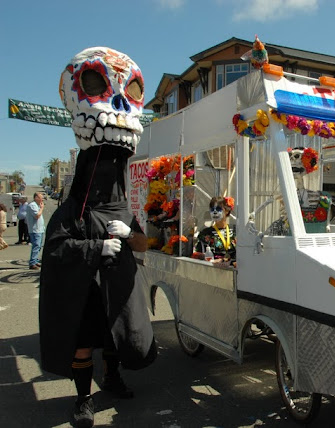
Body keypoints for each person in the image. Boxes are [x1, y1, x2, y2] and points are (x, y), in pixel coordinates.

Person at [39, 47, 157, 428]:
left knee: (114, 339)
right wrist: (96, 246)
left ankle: (113, 377)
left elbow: (144, 245)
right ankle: (83, 398)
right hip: (86, 289)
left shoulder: (124, 209)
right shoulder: (73, 209)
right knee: (85, 340)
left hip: (116, 288)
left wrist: (130, 235)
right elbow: (56, 249)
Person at [195, 196, 236, 265]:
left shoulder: (235, 231)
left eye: (218, 209)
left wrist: (225, 260)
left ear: (227, 211)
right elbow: (198, 255)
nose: (214, 212)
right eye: (212, 209)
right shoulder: (205, 233)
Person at [25, 192, 45, 270]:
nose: (42, 199)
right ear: (36, 198)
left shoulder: (36, 205)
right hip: (35, 230)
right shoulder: (32, 205)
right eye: (41, 197)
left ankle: (35, 260)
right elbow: (37, 215)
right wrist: (42, 208)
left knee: (39, 246)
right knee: (36, 246)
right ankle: (32, 263)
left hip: (39, 229)